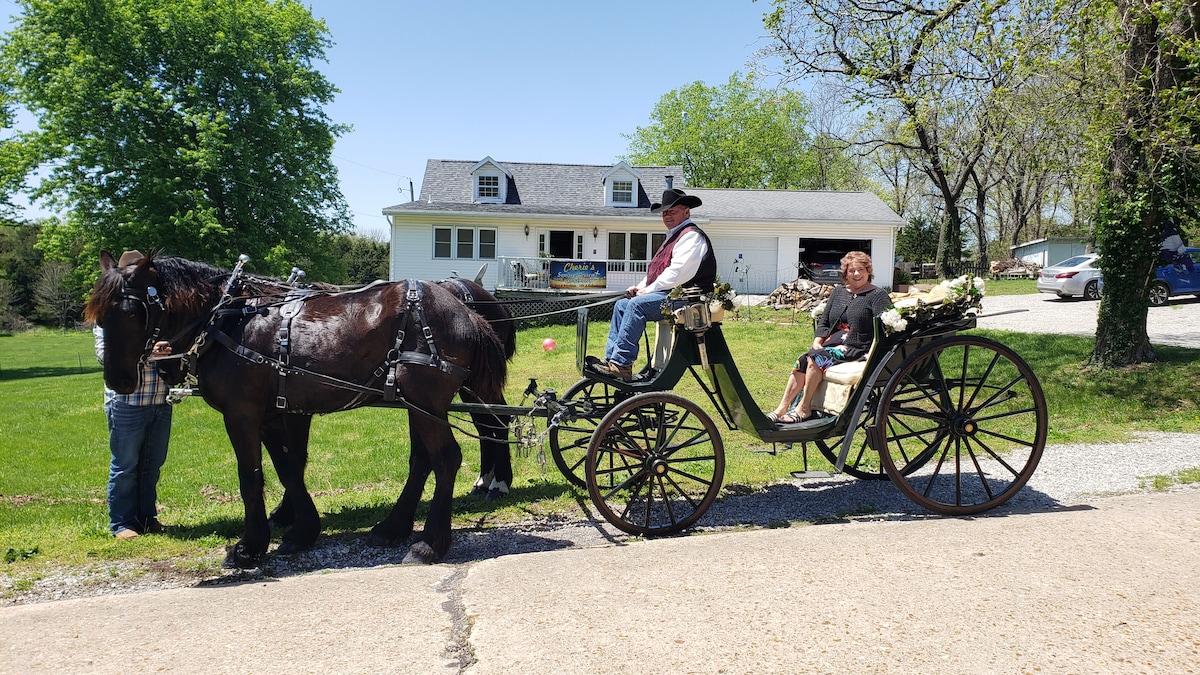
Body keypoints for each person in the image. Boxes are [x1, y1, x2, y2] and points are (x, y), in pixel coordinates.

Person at [589, 188, 717, 381]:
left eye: (672, 211)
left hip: (690, 300)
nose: (667, 216)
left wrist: (647, 291)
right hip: (670, 296)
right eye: (665, 212)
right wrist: (640, 287)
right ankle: (611, 360)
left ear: (687, 212)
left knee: (636, 305)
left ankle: (622, 364)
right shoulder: (674, 236)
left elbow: (676, 273)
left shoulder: (691, 236)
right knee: (622, 304)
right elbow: (656, 272)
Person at [94, 250, 175, 540]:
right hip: (127, 401)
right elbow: (105, 354)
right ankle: (122, 523)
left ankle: (147, 517)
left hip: (159, 398)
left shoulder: (153, 311)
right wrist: (151, 353)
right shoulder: (112, 311)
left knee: (152, 464)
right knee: (125, 465)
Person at [768, 251, 891, 424]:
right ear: (845, 273)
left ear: (868, 271)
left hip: (858, 347)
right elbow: (825, 320)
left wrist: (873, 352)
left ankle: (804, 408)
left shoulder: (877, 296)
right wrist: (818, 341)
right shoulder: (838, 292)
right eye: (851, 270)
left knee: (816, 358)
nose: (856, 274)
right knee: (803, 359)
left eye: (861, 270)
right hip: (833, 343)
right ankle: (781, 408)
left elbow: (885, 328)